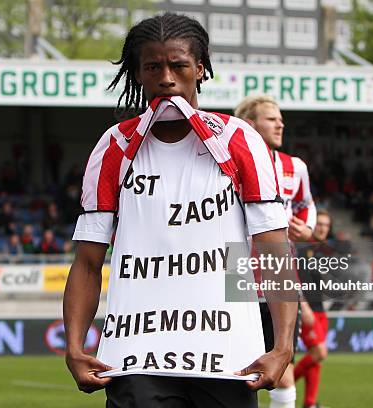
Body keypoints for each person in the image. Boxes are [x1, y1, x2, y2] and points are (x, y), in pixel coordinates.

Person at [64, 13, 297, 408]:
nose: (167, 77)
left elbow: (274, 248)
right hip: (138, 356)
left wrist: (283, 346)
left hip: (227, 356)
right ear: (138, 73)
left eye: (179, 65)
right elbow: (88, 262)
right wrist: (73, 345)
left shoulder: (239, 140)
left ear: (200, 70)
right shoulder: (114, 147)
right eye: (153, 66)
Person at [235, 95, 317, 408]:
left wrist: (307, 230)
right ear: (250, 124)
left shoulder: (294, 167)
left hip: (280, 278)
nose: (280, 123)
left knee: (282, 368)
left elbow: (305, 204)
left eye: (280, 118)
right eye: (271, 118)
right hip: (235, 274)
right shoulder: (227, 162)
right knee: (235, 366)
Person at [294, 210, 332, 408]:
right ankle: (285, 383)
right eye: (320, 224)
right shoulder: (301, 249)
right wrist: (303, 304)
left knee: (316, 361)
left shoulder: (321, 251)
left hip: (321, 311)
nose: (323, 228)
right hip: (308, 310)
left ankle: (309, 403)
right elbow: (293, 278)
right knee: (319, 353)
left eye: (326, 225)